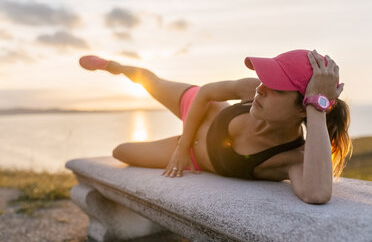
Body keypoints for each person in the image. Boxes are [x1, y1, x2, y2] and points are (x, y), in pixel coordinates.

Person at [79, 49, 352, 204]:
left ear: (302, 107)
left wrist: (318, 105)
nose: (260, 88)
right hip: (199, 108)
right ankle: (114, 66)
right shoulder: (251, 90)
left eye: (275, 88)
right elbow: (208, 91)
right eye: (263, 79)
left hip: (197, 159)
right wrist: (183, 146)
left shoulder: (293, 158)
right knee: (150, 81)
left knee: (121, 152)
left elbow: (317, 193)